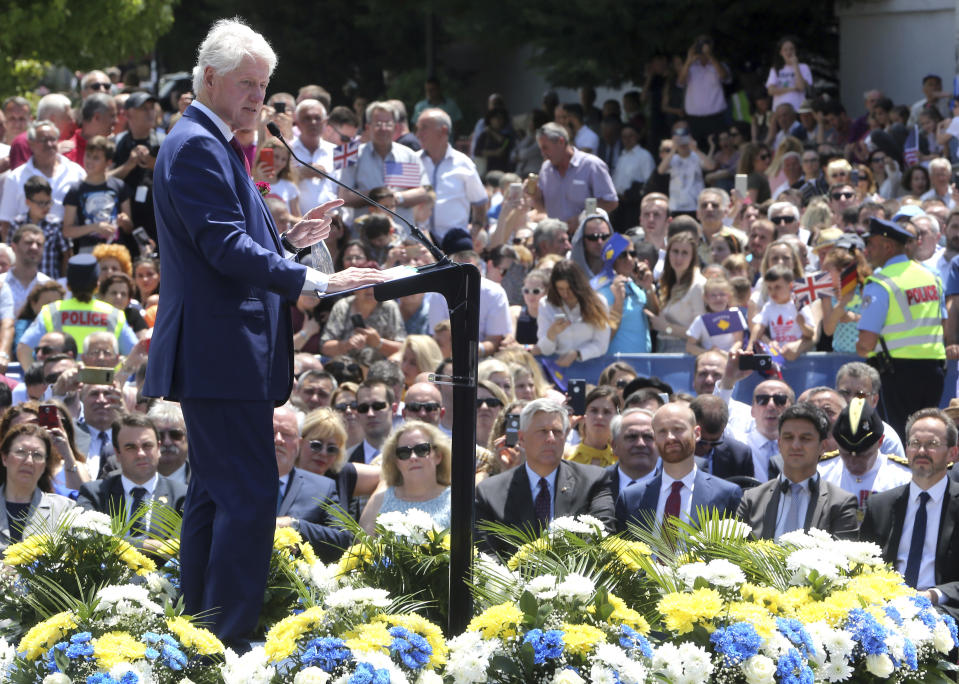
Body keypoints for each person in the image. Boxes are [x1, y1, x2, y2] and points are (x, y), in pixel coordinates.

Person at [141, 19, 387, 651]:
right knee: (249, 500)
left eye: (265, 85)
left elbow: (227, 243)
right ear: (210, 79)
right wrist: (315, 279)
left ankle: (197, 636)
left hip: (219, 353)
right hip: (220, 355)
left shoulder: (211, 141)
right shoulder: (198, 144)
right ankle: (229, 642)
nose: (259, 97)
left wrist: (285, 241)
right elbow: (223, 248)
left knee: (212, 498)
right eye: (248, 84)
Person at [474, 398, 615, 556]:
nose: (551, 438)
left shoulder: (593, 482)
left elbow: (602, 535)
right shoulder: (490, 493)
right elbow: (487, 554)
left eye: (557, 432)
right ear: (521, 439)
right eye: (542, 431)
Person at [860, 408, 959, 614]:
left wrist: (933, 595)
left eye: (932, 444)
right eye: (915, 444)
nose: (921, 451)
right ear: (906, 450)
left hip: (945, 612)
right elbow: (861, 568)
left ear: (953, 453)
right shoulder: (880, 505)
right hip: (885, 612)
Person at [856, 217, 945, 439]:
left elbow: (866, 342)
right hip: (934, 369)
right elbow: (943, 322)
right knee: (928, 433)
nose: (867, 251)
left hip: (896, 372)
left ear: (888, 246)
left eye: (872, 245)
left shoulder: (881, 283)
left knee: (899, 436)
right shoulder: (932, 276)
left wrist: (861, 350)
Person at [736, 403, 858, 540]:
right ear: (779, 444)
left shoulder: (840, 503)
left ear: (822, 446)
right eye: (788, 437)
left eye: (805, 438)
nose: (795, 445)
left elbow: (844, 559)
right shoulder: (752, 499)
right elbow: (735, 552)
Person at [616, 402, 742, 533]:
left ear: (697, 433)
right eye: (662, 431)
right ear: (654, 438)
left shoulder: (726, 495)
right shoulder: (631, 498)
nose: (670, 437)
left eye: (678, 429)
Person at [76, 412, 187, 538]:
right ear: (117, 453)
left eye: (147, 446)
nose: (140, 454)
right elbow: (85, 538)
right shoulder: (94, 494)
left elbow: (181, 546)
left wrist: (118, 541)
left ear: (158, 448)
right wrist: (148, 545)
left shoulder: (182, 496)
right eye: (131, 447)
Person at [270, 406, 352, 561]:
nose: (278, 439)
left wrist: (294, 525)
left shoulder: (323, 487)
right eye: (271, 431)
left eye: (287, 434)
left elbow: (343, 539)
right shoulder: (236, 480)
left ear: (298, 442)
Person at [818, 396, 911, 518]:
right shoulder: (821, 472)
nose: (853, 462)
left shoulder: (903, 477)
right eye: (846, 454)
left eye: (863, 455)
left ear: (880, 442)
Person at [360, 421, 452, 534]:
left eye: (422, 449)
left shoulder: (456, 500)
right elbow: (362, 549)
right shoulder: (379, 501)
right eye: (404, 452)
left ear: (438, 456)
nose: (413, 457)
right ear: (396, 462)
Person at [296, 407, 380, 522]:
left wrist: (367, 522)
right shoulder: (284, 474)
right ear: (300, 442)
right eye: (316, 445)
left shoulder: (343, 475)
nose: (323, 453)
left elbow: (389, 476)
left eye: (332, 449)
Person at [0, 423, 75, 549]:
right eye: (20, 452)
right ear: (4, 458)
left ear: (45, 464)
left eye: (37, 455)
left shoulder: (64, 510)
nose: (29, 461)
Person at [531, 122, 618, 230]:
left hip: (586, 238)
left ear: (561, 142)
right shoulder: (546, 169)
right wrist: (534, 196)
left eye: (546, 148)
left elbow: (611, 202)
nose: (543, 153)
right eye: (541, 149)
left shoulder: (591, 165)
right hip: (556, 239)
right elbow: (542, 208)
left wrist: (581, 219)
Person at [536, 259, 611, 367]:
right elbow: (544, 350)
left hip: (589, 366)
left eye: (570, 289)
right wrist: (551, 334)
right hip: (556, 367)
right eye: (560, 289)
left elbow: (601, 345)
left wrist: (577, 354)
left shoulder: (599, 302)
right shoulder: (545, 305)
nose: (566, 294)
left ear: (579, 285)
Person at [648, 232, 706, 352]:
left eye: (685, 253)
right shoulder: (669, 281)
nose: (679, 258)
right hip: (663, 347)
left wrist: (666, 327)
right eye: (675, 251)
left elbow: (701, 332)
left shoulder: (698, 285)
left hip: (684, 351)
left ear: (692, 257)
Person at [690, 395, 753, 480]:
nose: (707, 447)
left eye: (714, 442)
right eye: (701, 441)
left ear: (724, 429)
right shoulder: (673, 448)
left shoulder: (739, 455)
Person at [606, 408, 661, 503]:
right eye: (632, 437)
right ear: (614, 446)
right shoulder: (596, 484)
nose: (641, 444)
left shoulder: (671, 488)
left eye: (648, 437)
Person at [567, 385, 620, 467]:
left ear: (616, 417)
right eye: (594, 410)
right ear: (584, 413)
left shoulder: (621, 462)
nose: (599, 417)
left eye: (606, 412)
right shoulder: (565, 457)